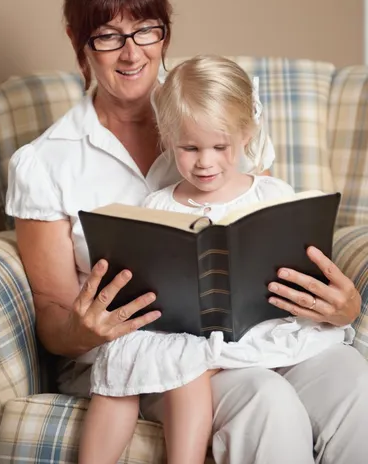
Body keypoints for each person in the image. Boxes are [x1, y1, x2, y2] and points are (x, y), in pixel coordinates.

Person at [5, 0, 367, 464]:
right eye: (108, 36)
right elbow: (54, 314)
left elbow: (261, 225)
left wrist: (344, 305)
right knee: (267, 405)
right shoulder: (45, 162)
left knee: (354, 382)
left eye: (147, 30)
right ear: (76, 39)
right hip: (153, 359)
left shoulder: (211, 108)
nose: (132, 52)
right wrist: (84, 327)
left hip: (256, 337)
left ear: (165, 28)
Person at [79, 55, 355, 464]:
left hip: (278, 332)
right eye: (189, 148)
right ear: (168, 138)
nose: (205, 162)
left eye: (219, 147)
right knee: (261, 399)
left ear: (246, 134)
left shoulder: (272, 195)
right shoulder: (158, 206)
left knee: (353, 378)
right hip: (202, 347)